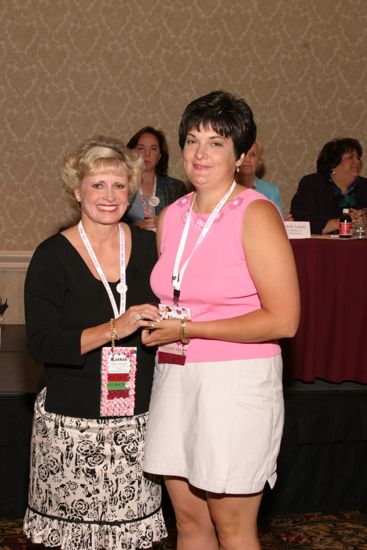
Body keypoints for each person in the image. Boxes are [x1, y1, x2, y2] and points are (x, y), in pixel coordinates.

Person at [142, 91, 300, 549]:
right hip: (175, 375)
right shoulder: (171, 216)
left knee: (233, 527)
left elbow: (284, 320)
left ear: (240, 154)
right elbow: (177, 292)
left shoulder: (256, 213)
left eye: (216, 142)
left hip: (236, 381)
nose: (201, 153)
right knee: (190, 524)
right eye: (192, 140)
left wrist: (189, 329)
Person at [23, 136, 166, 549]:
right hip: (71, 427)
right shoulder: (52, 256)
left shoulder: (148, 248)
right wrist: (113, 329)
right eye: (98, 184)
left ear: (132, 191)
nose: (109, 196)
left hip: (137, 422)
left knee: (131, 539)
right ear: (77, 190)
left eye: (119, 185)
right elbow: (43, 344)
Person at [290, 137, 367, 234]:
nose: (358, 161)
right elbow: (300, 221)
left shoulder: (364, 186)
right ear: (333, 163)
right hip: (320, 246)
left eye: (358, 158)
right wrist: (343, 222)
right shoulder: (313, 183)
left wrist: (363, 220)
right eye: (350, 157)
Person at [125, 126, 187, 230]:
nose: (147, 154)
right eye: (141, 148)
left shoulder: (176, 188)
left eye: (153, 149)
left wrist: (164, 221)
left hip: (165, 243)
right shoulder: (121, 186)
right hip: (132, 243)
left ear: (159, 156)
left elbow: (185, 222)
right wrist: (135, 227)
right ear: (132, 153)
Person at [237, 140, 285, 216]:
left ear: (259, 161)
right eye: (244, 154)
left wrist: (284, 223)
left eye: (252, 155)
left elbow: (277, 221)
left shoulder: (271, 192)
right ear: (236, 159)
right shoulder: (224, 188)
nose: (247, 159)